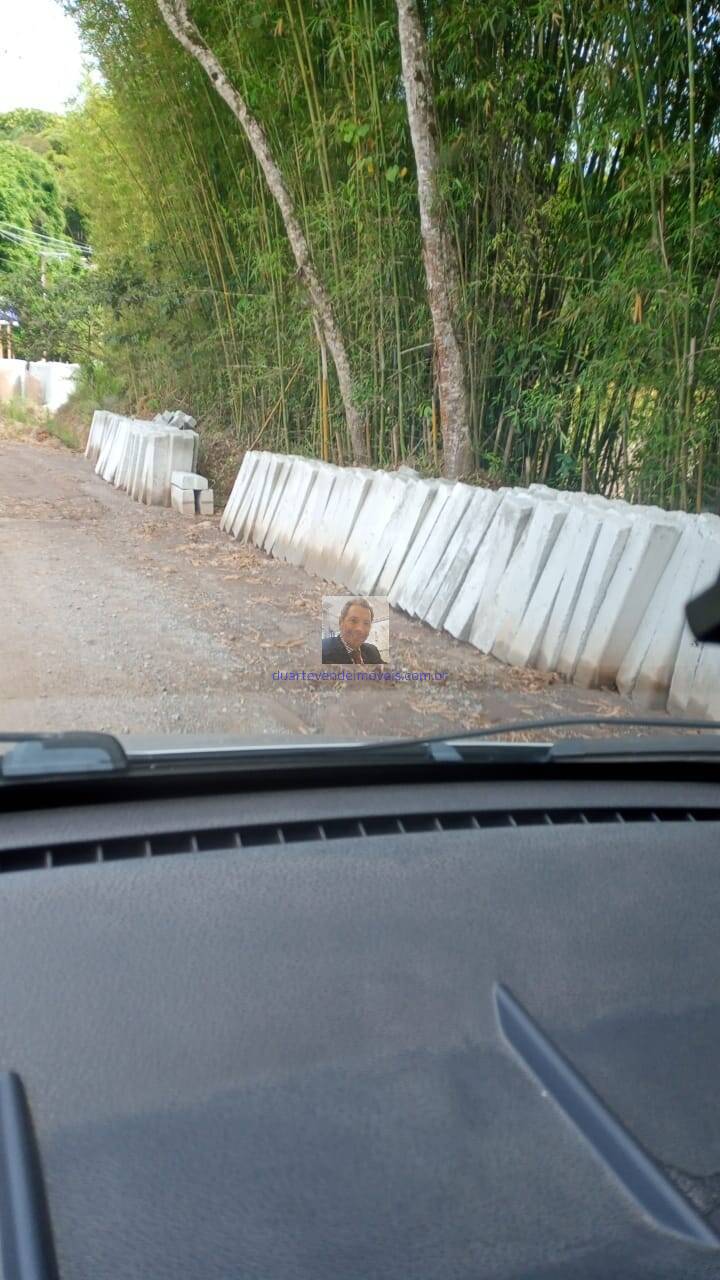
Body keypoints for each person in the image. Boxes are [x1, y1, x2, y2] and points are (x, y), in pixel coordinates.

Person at [322, 598, 386, 665]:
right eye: (353, 621)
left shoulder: (372, 651)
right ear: (341, 622)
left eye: (366, 623)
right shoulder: (322, 651)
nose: (360, 629)